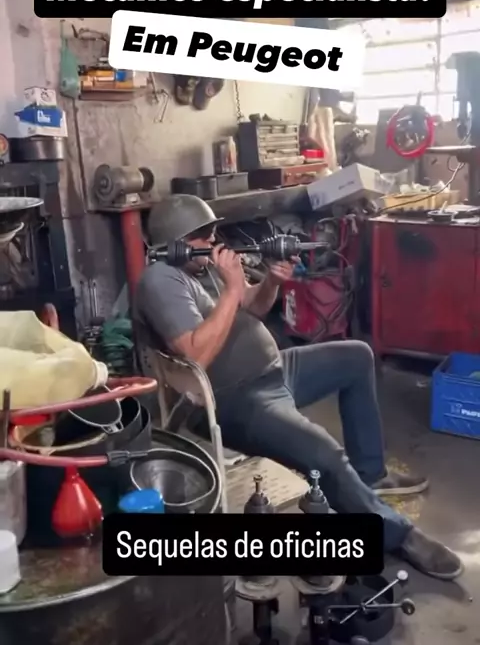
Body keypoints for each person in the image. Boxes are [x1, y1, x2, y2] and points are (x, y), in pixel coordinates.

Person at [134, 195, 464, 581]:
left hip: (273, 370)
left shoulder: (200, 267)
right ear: (175, 240)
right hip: (236, 397)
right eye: (203, 234)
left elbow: (253, 308)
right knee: (323, 453)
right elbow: (195, 354)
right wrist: (231, 289)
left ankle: (370, 474)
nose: (213, 240)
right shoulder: (161, 279)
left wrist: (271, 281)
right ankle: (397, 535)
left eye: (212, 231)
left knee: (357, 356)